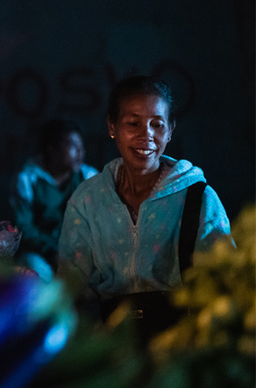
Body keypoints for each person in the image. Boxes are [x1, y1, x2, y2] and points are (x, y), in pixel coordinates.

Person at [60, 76, 233, 333]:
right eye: (133, 123)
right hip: (110, 347)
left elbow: (225, 277)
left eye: (157, 125)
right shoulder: (87, 200)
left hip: (182, 341)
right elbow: (69, 286)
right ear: (112, 126)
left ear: (170, 130)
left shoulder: (199, 197)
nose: (147, 135)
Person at [13, 118, 98, 261]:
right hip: (41, 255)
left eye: (81, 146)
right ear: (51, 148)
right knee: (32, 265)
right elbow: (23, 228)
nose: (80, 152)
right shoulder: (28, 178)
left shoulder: (89, 177)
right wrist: (50, 252)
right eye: (72, 145)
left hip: (79, 255)